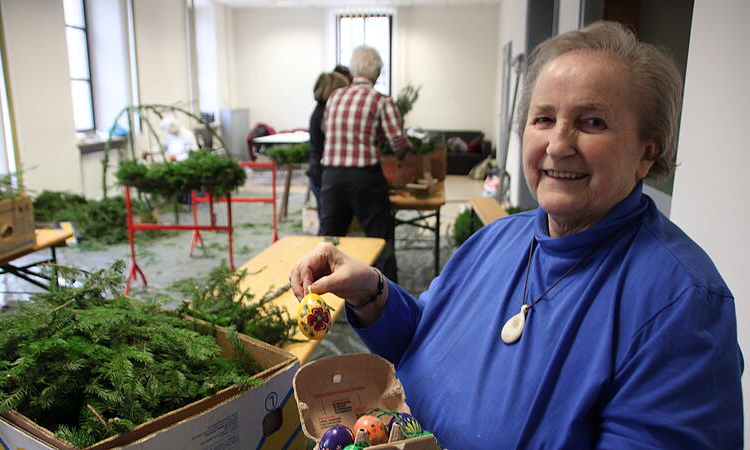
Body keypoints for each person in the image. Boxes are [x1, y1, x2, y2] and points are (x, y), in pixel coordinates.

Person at [290, 22, 743, 448]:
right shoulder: (499, 237)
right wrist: (371, 292)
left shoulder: (682, 304)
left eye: (592, 122)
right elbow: (425, 334)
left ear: (647, 152)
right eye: (543, 118)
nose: (559, 144)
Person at [319, 46, 411, 282]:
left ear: (352, 71)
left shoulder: (335, 97)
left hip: (331, 177)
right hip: (365, 178)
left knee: (328, 240)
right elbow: (398, 141)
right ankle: (388, 296)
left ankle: (319, 298)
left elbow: (326, 130)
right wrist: (404, 155)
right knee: (379, 239)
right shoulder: (380, 100)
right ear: (378, 73)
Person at [306, 70, 349, 214]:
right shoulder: (325, 114)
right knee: (329, 222)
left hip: (318, 172)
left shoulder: (320, 111)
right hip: (323, 174)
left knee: (327, 219)